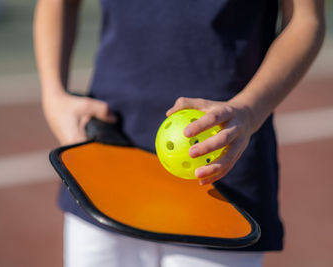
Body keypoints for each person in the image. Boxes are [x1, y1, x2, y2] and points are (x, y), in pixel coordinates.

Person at [34, 0, 325, 266]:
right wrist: (52, 94)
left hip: (222, 169)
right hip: (104, 157)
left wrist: (248, 111)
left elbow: (304, 19)